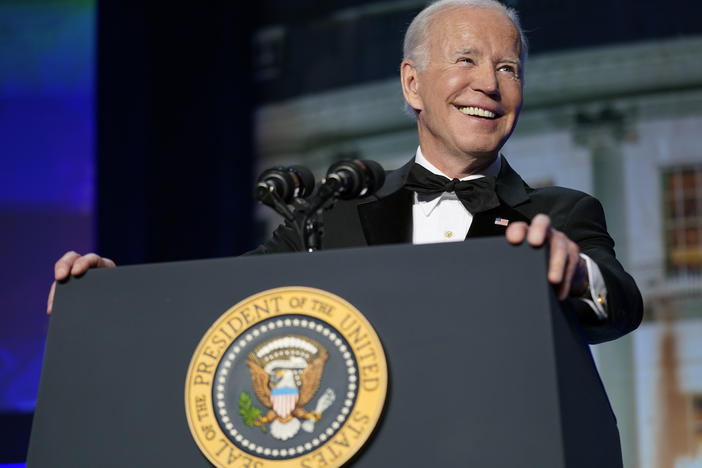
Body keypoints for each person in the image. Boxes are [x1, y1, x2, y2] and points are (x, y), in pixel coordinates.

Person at [49, 0, 642, 344]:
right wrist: (111, 296)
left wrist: (575, 272)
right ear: (412, 83)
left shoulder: (560, 214)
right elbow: (220, 302)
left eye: (508, 67)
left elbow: (620, 302)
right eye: (466, 60)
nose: (488, 84)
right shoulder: (331, 215)